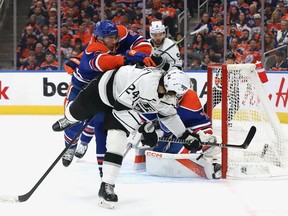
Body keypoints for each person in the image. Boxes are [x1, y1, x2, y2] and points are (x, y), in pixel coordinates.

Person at [52, 66, 203, 208]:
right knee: (78, 111)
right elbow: (120, 107)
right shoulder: (146, 83)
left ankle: (106, 186)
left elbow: (169, 116)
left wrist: (185, 135)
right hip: (105, 90)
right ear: (168, 87)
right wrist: (144, 130)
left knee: (117, 143)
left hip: (124, 107)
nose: (176, 97)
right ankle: (69, 118)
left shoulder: (167, 94)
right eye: (174, 93)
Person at [60, 19, 155, 170]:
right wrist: (126, 58)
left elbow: (142, 44)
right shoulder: (95, 46)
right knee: (72, 123)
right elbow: (100, 60)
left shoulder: (120, 34)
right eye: (109, 38)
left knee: (97, 123)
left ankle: (88, 149)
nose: (114, 40)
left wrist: (137, 55)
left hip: (100, 92)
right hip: (81, 88)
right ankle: (70, 147)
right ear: (99, 38)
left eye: (115, 37)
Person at [136, 88, 221, 179]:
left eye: (178, 96)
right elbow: (142, 119)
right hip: (168, 135)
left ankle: (203, 157)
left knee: (209, 144)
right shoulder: (155, 96)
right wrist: (148, 130)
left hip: (187, 135)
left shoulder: (190, 98)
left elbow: (202, 125)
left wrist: (203, 140)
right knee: (158, 155)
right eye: (170, 95)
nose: (174, 99)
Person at [203, 52, 237, 126]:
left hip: (230, 91)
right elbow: (217, 81)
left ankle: (227, 120)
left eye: (231, 60)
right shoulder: (221, 68)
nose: (229, 61)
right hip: (218, 90)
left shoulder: (237, 69)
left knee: (235, 105)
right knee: (208, 105)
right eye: (228, 59)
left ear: (234, 61)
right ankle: (204, 119)